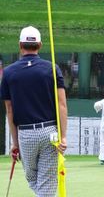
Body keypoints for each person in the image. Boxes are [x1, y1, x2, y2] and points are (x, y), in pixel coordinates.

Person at [0, 26, 68, 196]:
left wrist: (15, 143)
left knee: (33, 179)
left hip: (26, 134)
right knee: (44, 183)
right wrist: (64, 136)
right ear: (40, 45)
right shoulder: (52, 68)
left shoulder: (8, 72)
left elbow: (10, 111)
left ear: (20, 45)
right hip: (50, 132)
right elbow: (62, 104)